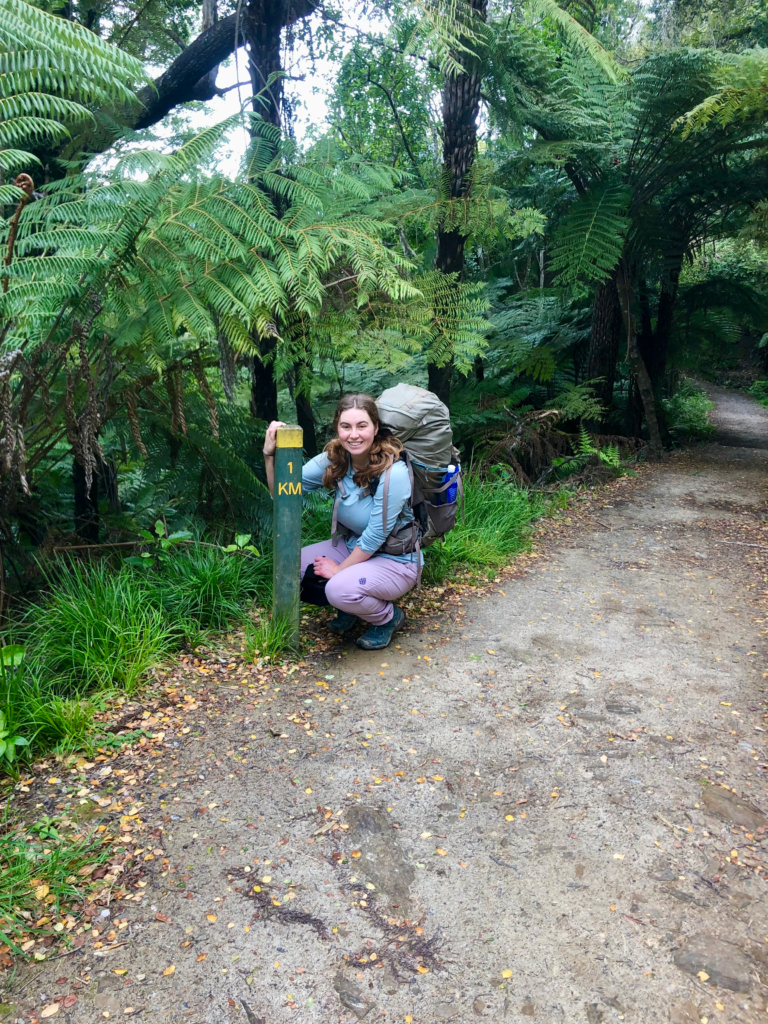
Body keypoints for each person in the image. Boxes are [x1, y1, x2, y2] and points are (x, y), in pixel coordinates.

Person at [263, 393, 419, 650]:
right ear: (337, 428)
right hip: (353, 545)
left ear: (376, 428)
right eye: (346, 426)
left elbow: (374, 537)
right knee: (291, 564)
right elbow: (283, 492)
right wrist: (270, 454)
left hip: (396, 560)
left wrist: (338, 570)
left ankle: (387, 618)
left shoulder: (395, 473)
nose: (354, 435)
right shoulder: (336, 459)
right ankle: (352, 606)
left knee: (337, 587)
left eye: (362, 426)